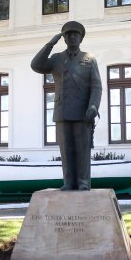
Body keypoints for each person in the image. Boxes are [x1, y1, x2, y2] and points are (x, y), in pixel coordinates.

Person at [31, 21, 102, 191]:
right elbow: (36, 65)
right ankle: (69, 182)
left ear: (81, 38)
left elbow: (96, 85)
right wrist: (50, 43)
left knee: (82, 149)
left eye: (75, 34)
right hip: (62, 110)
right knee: (66, 150)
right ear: (64, 38)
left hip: (83, 111)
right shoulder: (56, 58)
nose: (72, 37)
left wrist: (93, 106)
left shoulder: (89, 59)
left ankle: (83, 182)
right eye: (68, 35)